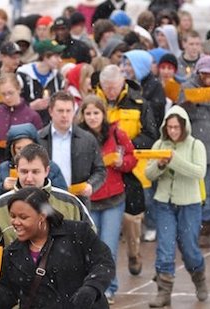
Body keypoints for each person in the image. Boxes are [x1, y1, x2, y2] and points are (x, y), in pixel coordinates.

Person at [0, 187, 115, 309]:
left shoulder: (77, 233)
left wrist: (91, 288)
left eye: (23, 217)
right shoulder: (12, 254)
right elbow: (8, 298)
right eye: (13, 216)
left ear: (42, 216)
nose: (15, 222)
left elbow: (103, 262)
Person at [96, 64, 158, 276]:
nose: (111, 92)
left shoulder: (139, 102)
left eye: (114, 87)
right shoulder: (94, 103)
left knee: (133, 216)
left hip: (131, 168)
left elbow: (151, 135)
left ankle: (134, 251)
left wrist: (126, 144)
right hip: (103, 167)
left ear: (122, 83)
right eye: (107, 88)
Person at [76, 95, 137, 305]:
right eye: (88, 113)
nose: (92, 117)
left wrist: (121, 162)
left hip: (113, 199)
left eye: (96, 113)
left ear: (103, 114)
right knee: (89, 247)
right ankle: (91, 286)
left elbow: (132, 158)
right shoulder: (78, 137)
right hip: (88, 199)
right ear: (82, 115)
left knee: (108, 246)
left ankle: (109, 286)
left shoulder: (116, 133)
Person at [145, 105, 208, 307]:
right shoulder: (159, 144)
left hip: (189, 203)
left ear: (184, 127)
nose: (173, 131)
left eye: (176, 127)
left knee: (189, 248)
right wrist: (160, 164)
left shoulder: (195, 145)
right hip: (164, 203)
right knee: (165, 247)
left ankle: (199, 277)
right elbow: (148, 174)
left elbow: (199, 173)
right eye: (169, 127)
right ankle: (164, 292)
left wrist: (173, 160)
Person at [0, 143, 94, 247]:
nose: (29, 178)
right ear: (16, 170)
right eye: (24, 171)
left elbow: (91, 242)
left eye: (35, 172)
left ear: (46, 171)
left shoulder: (70, 203)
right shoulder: (0, 206)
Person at [178, 55, 210, 248]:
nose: (207, 77)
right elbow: (178, 115)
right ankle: (190, 226)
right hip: (193, 147)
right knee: (191, 191)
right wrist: (187, 104)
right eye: (203, 73)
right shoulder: (187, 86)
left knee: (209, 189)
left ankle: (205, 226)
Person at [38, 91, 106, 208]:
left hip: (78, 201)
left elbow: (100, 170)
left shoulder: (87, 139)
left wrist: (91, 185)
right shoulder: (38, 138)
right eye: (60, 111)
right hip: (46, 202)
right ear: (51, 111)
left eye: (68, 111)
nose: (65, 115)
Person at [0, 123, 67, 212]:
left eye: (35, 171)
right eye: (19, 148)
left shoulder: (50, 167)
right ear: (12, 149)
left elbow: (63, 198)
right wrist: (2, 188)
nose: (24, 151)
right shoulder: (3, 169)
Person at [0, 72, 42, 175]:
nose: (7, 98)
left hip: (25, 170)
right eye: (3, 94)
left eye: (10, 93)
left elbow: (40, 145)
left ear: (18, 89)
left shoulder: (32, 116)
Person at [17, 39, 65, 125]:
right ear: (45, 57)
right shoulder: (22, 76)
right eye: (56, 56)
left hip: (50, 126)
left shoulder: (58, 78)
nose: (60, 60)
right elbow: (14, 104)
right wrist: (30, 106)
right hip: (26, 124)